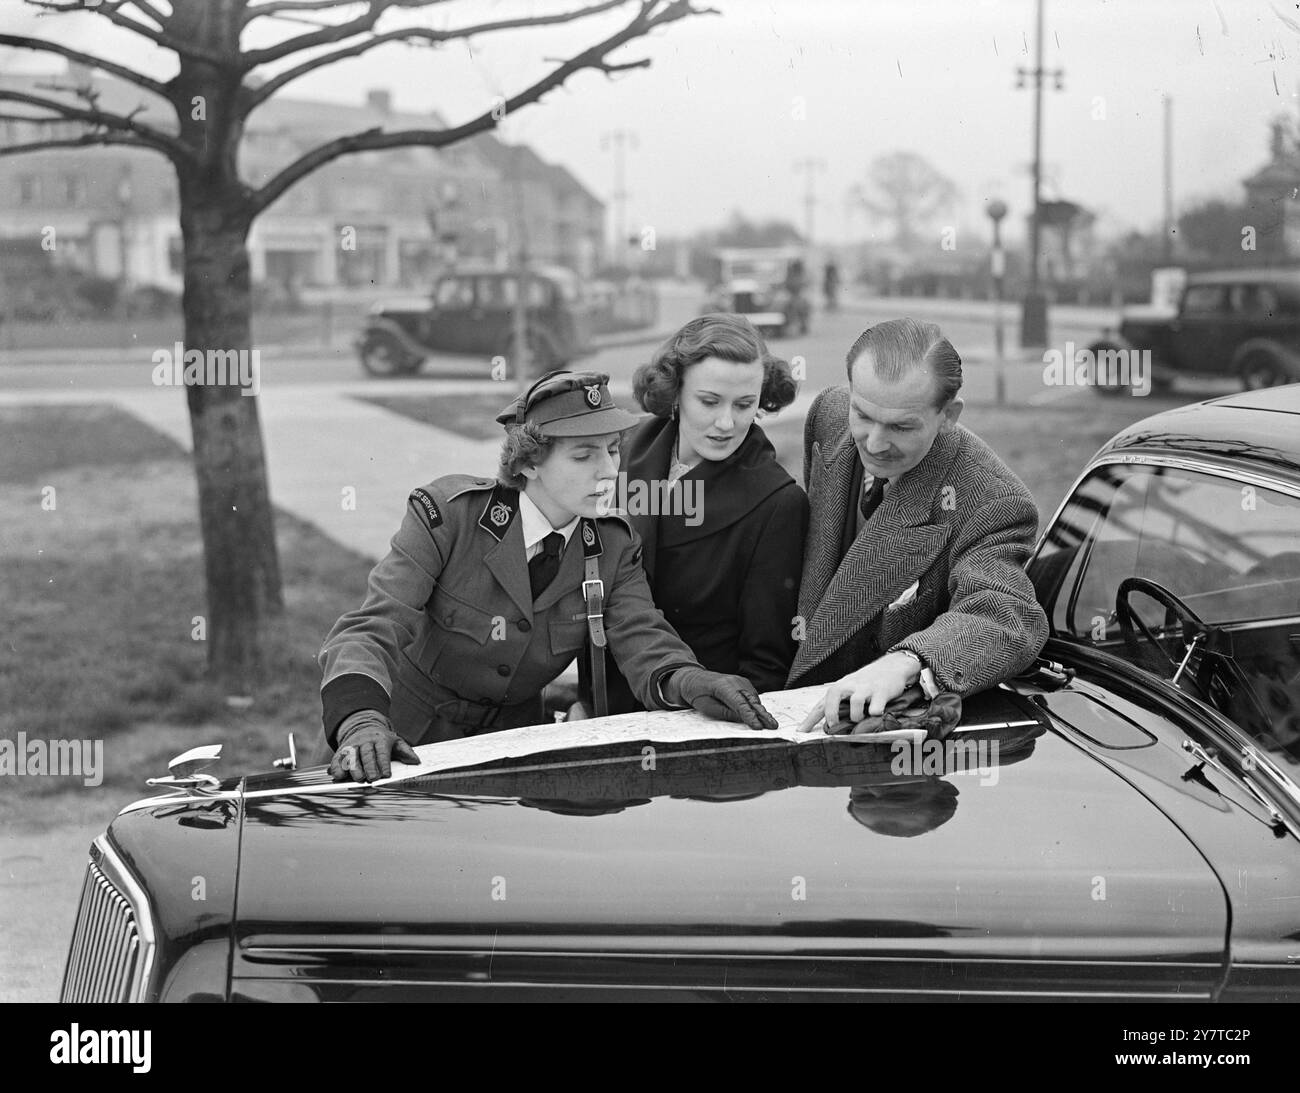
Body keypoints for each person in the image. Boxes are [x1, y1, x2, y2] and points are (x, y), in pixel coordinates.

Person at [318, 370, 778, 784]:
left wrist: (691, 682)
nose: (609, 471)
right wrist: (361, 721)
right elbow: (369, 629)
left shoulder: (614, 546)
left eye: (614, 451)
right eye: (584, 456)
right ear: (528, 462)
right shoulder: (448, 519)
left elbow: (644, 641)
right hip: (397, 746)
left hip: (512, 753)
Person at [792, 317, 1048, 732]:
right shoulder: (829, 413)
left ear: (949, 415)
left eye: (901, 427)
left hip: (884, 751)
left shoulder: (992, 500)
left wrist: (907, 661)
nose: (873, 443)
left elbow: (1007, 618)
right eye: (863, 414)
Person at [571, 314, 808, 717]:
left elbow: (765, 668)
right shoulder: (625, 449)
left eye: (745, 404)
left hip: (699, 720)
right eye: (709, 401)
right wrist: (587, 699)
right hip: (602, 708)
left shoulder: (778, 503)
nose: (725, 423)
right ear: (675, 392)